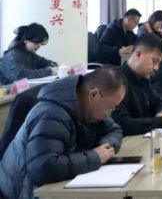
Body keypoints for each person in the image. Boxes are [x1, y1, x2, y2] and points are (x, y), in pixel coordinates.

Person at [0, 67, 125, 199]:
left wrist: (106, 146)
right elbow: (43, 168)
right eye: (111, 107)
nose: (111, 112)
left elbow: (114, 130)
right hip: (23, 192)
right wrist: (95, 156)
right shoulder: (51, 114)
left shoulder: (89, 107)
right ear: (94, 95)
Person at [111, 34, 162, 136]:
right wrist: (160, 122)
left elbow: (160, 101)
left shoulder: (143, 78)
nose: (156, 68)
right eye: (154, 61)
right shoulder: (115, 80)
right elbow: (121, 123)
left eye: (159, 63)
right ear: (138, 54)